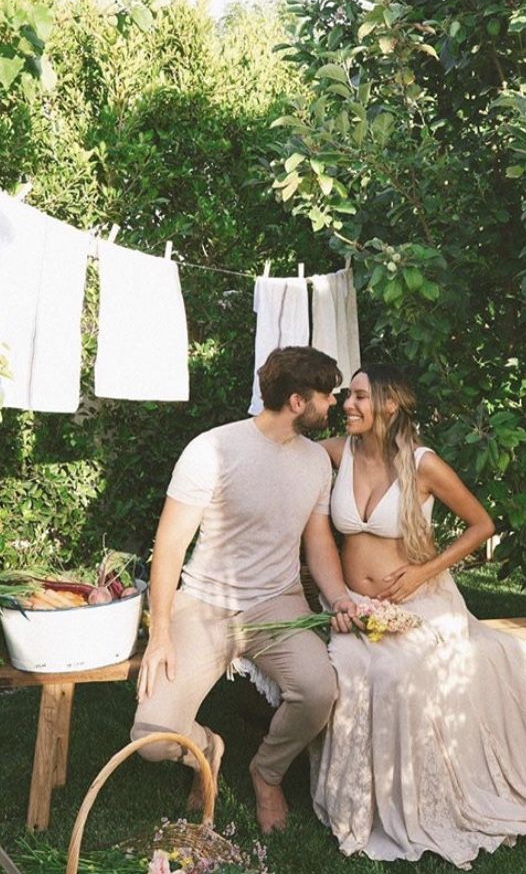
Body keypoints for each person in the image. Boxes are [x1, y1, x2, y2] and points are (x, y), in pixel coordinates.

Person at [310, 364, 526, 869]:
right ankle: (357, 805)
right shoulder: (337, 454)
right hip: (351, 604)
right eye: (348, 396)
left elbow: (481, 524)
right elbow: (287, 463)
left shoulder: (423, 464)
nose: (348, 404)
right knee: (349, 668)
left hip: (421, 601)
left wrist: (420, 572)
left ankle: (416, 805)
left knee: (397, 671)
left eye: (360, 397)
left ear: (389, 404)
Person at [131, 346, 359, 834]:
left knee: (319, 691)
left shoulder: (317, 462)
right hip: (205, 604)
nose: (334, 404)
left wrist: (339, 597)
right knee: (152, 740)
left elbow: (318, 542)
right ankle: (208, 750)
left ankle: (267, 772)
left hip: (277, 605)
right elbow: (170, 545)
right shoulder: (211, 449)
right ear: (298, 402)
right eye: (327, 395)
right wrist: (162, 633)